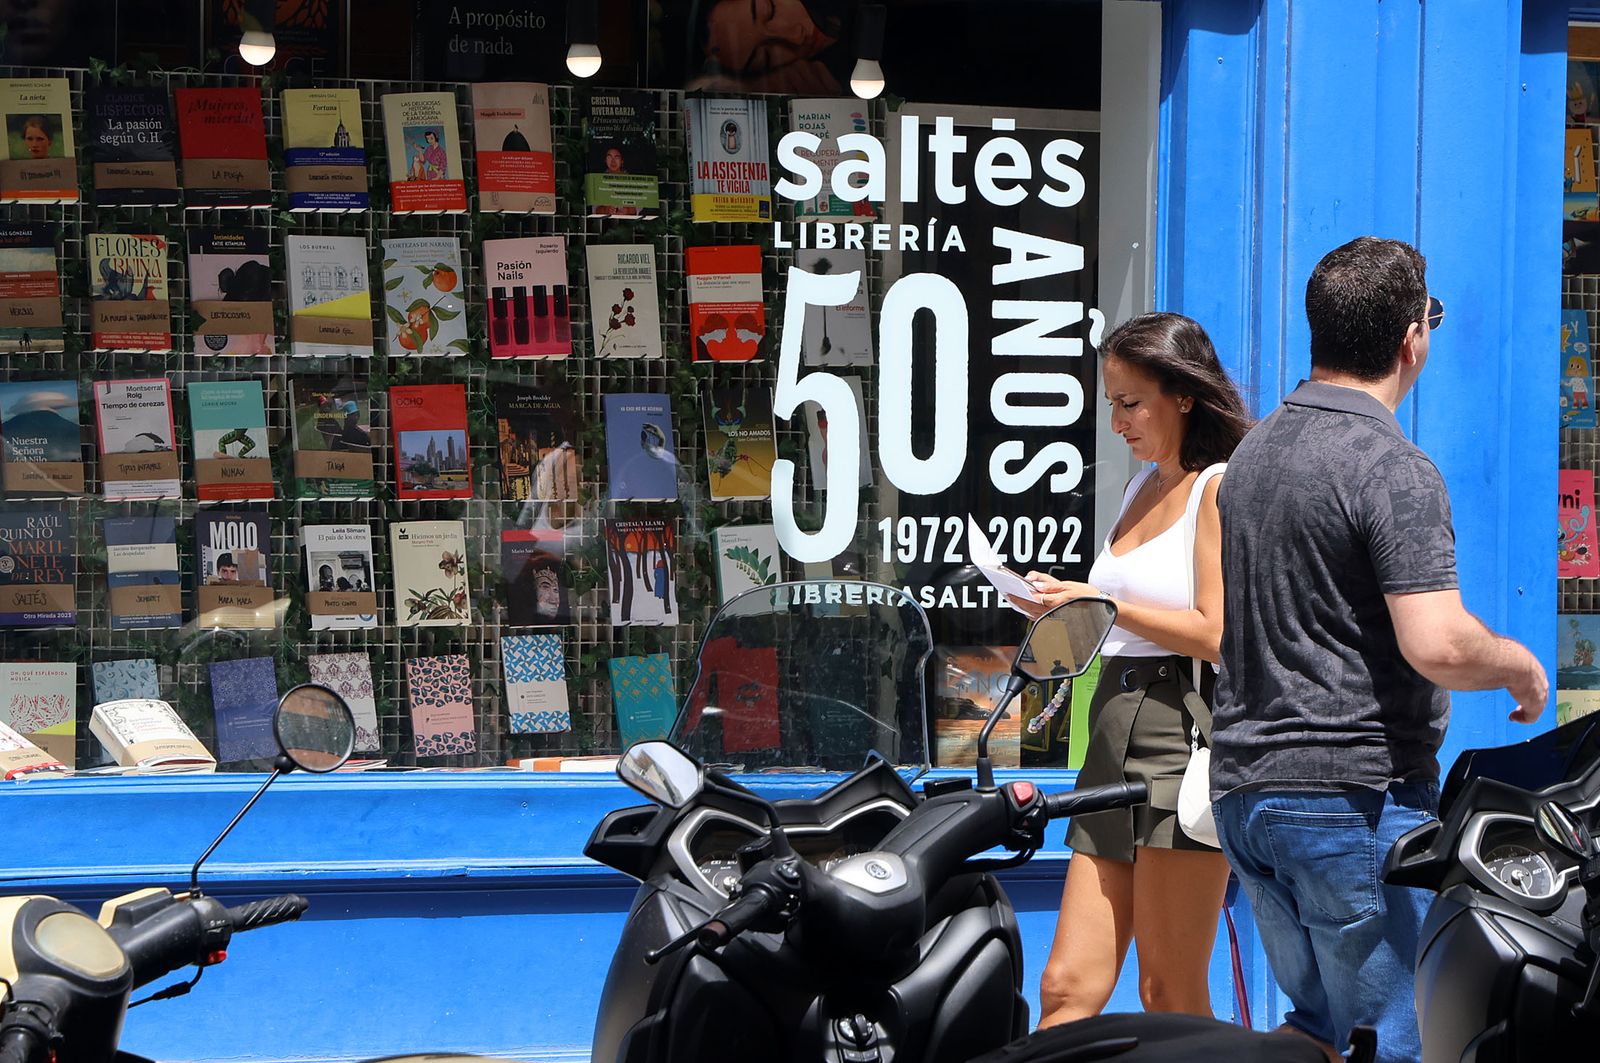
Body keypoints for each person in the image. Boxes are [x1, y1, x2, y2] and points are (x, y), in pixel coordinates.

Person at [1210, 236, 1549, 1063]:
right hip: (1349, 798)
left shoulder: (1252, 454)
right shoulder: (1391, 465)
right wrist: (1520, 663)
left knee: (1320, 1034)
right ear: (1411, 338)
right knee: (1396, 1043)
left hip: (1248, 797)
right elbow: (1436, 642)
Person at [1019, 312, 1252, 1026]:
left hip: (1175, 734)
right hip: (1109, 726)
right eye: (1110, 402)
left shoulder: (1214, 487)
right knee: (1064, 985)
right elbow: (1115, 619)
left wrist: (1103, 602)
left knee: (1169, 993)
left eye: (1130, 402)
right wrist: (1061, 612)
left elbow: (1216, 633)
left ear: (1183, 395)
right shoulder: (1136, 490)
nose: (1116, 421)